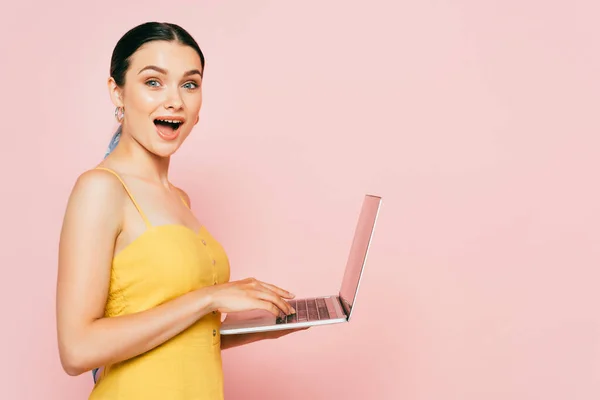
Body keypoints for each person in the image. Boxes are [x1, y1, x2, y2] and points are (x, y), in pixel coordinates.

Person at [56, 21, 305, 400]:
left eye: (189, 84)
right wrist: (210, 297)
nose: (175, 100)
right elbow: (77, 350)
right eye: (153, 82)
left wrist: (266, 322)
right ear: (117, 92)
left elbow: (177, 339)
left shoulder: (180, 198)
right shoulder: (101, 189)